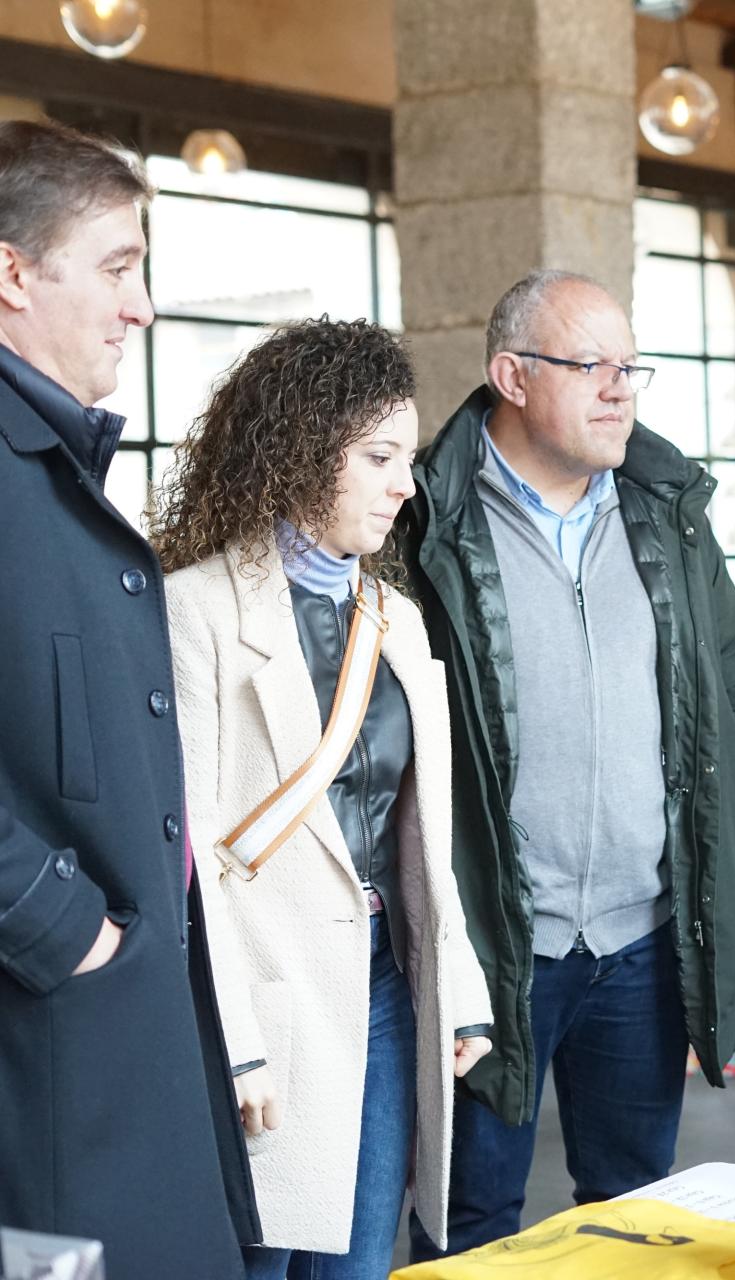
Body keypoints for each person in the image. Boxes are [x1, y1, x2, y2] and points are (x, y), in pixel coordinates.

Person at [398, 270, 735, 1256]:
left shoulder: (666, 514)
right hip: (494, 943)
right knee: (470, 1219)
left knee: (630, 1211)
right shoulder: (428, 523)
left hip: (641, 938)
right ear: (510, 377)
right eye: (590, 365)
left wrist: (728, 857)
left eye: (630, 366)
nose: (621, 388)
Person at [150, 318, 494, 1277]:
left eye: (407, 458)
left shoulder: (397, 619)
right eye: (379, 456)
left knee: (357, 1264)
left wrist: (455, 990)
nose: (405, 484)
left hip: (385, 992)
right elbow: (193, 855)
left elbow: (427, 836)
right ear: (301, 451)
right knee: (259, 1262)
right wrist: (237, 1041)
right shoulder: (198, 610)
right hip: (267, 995)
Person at [0, 119, 257, 1278]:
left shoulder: (53, 461)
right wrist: (75, 934)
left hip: (120, 1038)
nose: (141, 305)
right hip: (54, 1047)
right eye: (117, 266)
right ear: (13, 273)